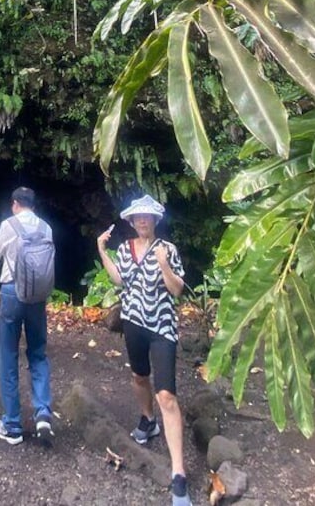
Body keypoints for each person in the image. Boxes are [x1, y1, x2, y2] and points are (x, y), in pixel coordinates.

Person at [96, 194, 191, 506]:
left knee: (167, 395)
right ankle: (147, 421)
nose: (142, 221)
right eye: (138, 217)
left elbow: (177, 289)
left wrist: (164, 265)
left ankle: (179, 474)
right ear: (132, 222)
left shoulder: (168, 250)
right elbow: (120, 280)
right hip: (133, 323)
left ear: (155, 220)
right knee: (139, 376)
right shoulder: (125, 248)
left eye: (147, 216)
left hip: (162, 327)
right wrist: (102, 251)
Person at [0, 186, 54, 445]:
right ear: (33, 205)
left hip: (12, 293)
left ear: (15, 203)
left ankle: (12, 425)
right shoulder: (46, 228)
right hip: (38, 297)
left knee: (8, 354)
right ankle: (43, 414)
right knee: (38, 353)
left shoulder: (9, 224)